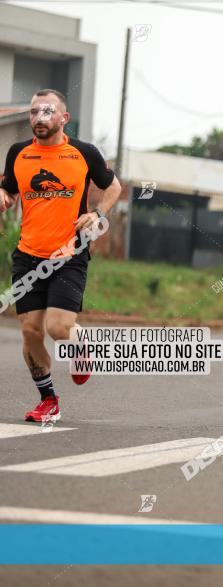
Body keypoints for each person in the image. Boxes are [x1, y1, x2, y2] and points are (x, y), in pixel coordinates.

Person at [0, 89, 121, 423]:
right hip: (28, 255)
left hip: (69, 253)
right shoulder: (18, 153)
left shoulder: (83, 153)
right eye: (34, 112)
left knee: (57, 327)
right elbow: (9, 187)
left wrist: (99, 214)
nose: (39, 118)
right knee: (30, 331)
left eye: (47, 112)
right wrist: (4, 195)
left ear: (63, 118)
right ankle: (48, 400)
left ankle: (80, 346)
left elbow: (113, 187)